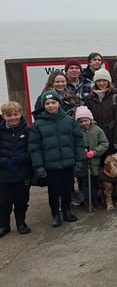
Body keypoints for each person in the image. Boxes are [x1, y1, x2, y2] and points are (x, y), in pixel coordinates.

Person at [29, 90, 86, 227]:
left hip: (67, 163)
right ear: (44, 106)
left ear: (59, 103)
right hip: (50, 165)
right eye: (47, 103)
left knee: (67, 190)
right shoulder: (38, 124)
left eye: (53, 102)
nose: (50, 106)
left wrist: (79, 159)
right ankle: (55, 214)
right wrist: (38, 165)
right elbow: (34, 147)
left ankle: (67, 211)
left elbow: (78, 141)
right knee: (53, 192)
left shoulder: (69, 121)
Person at [0, 101, 33, 236]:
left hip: (22, 172)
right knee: (3, 202)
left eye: (16, 114)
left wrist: (23, 158)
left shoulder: (28, 131)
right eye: (9, 115)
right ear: (3, 116)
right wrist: (5, 162)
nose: (13, 117)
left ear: (20, 114)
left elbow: (33, 150)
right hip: (3, 174)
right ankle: (4, 225)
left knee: (21, 200)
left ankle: (21, 223)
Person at [74, 106, 109, 210]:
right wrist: (81, 151)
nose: (84, 123)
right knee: (85, 184)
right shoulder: (76, 132)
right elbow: (73, 144)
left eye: (85, 120)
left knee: (94, 183)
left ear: (90, 119)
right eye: (81, 121)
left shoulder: (97, 130)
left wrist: (95, 152)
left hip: (94, 161)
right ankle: (87, 201)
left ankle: (95, 200)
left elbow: (104, 143)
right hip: (83, 163)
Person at [85, 69, 117, 154]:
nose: (101, 83)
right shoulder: (89, 98)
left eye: (104, 80)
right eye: (99, 81)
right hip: (95, 136)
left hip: (112, 134)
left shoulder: (116, 97)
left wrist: (116, 140)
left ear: (109, 81)